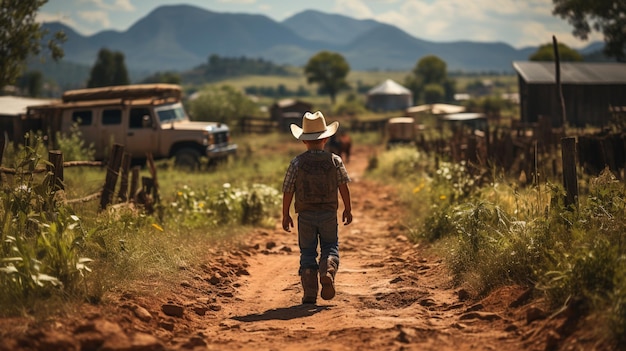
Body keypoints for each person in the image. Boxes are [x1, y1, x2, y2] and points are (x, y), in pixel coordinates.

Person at [282, 111, 353, 304]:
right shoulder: (335, 160)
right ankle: (328, 269)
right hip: (329, 213)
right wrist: (348, 208)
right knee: (330, 246)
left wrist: (285, 214)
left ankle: (310, 293)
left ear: (304, 141)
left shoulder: (296, 162)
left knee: (307, 252)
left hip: (305, 215)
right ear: (326, 138)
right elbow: (343, 186)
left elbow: (288, 189)